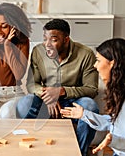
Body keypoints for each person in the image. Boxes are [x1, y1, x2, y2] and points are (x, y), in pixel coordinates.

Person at [16, 19, 99, 156]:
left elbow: (91, 89)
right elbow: (32, 84)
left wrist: (61, 91)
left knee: (90, 106)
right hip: (46, 101)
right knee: (25, 103)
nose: (47, 44)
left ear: (66, 40)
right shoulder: (38, 51)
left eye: (53, 40)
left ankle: (79, 152)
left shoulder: (85, 54)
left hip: (73, 101)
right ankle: (28, 150)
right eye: (45, 39)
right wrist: (48, 96)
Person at [61, 38, 125, 156]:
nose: (95, 66)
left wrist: (114, 141)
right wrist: (83, 114)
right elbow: (113, 123)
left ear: (113, 63)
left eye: (98, 60)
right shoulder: (123, 91)